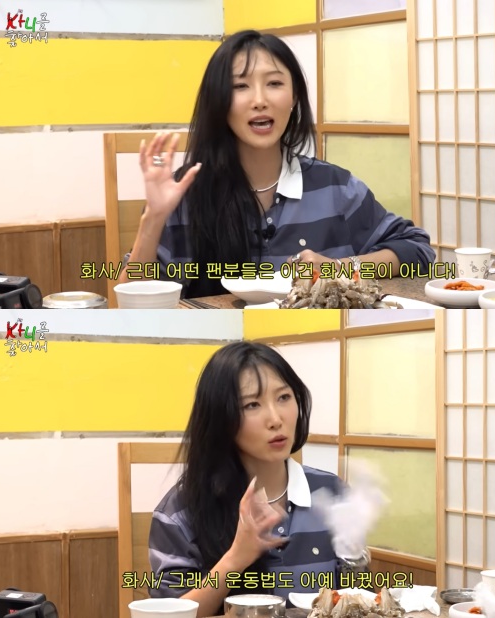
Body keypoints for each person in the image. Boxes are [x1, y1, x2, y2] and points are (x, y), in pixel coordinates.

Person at [119, 30, 435, 298]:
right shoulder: (185, 193)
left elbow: (417, 250)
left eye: (274, 83)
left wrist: (339, 268)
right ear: (219, 102)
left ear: (294, 96)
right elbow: (132, 300)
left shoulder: (335, 188)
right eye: (240, 86)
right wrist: (154, 217)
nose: (260, 100)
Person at [148, 342, 365, 617]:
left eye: (284, 397)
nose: (275, 419)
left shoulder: (332, 493)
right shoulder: (180, 512)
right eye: (252, 404)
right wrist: (236, 558)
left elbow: (358, 597)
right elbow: (168, 614)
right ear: (221, 419)